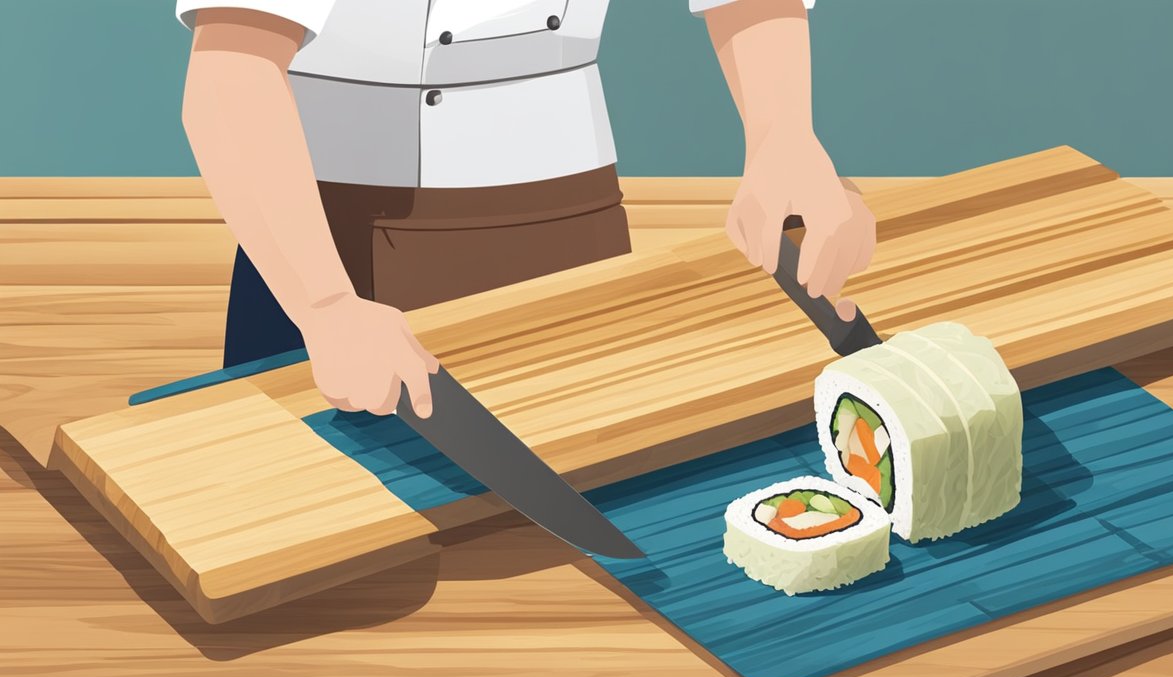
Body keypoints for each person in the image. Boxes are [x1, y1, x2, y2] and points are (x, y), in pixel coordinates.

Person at [178, 0, 876, 420]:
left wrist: (784, 134)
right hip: (334, 241)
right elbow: (231, 70)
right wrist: (326, 305)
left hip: (578, 230)